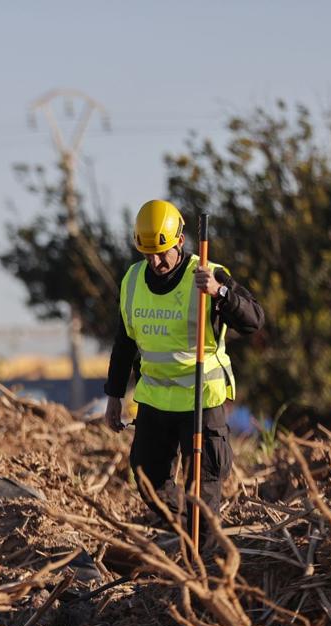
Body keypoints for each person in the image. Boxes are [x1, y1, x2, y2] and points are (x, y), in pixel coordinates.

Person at [104, 200, 265, 528]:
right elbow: (124, 344)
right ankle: (193, 525)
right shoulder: (133, 281)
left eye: (162, 251)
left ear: (179, 241)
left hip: (202, 402)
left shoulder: (208, 272)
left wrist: (220, 292)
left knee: (202, 492)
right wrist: (114, 395)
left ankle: (202, 565)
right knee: (148, 483)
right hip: (154, 402)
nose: (155, 260)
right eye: (147, 252)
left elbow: (254, 320)